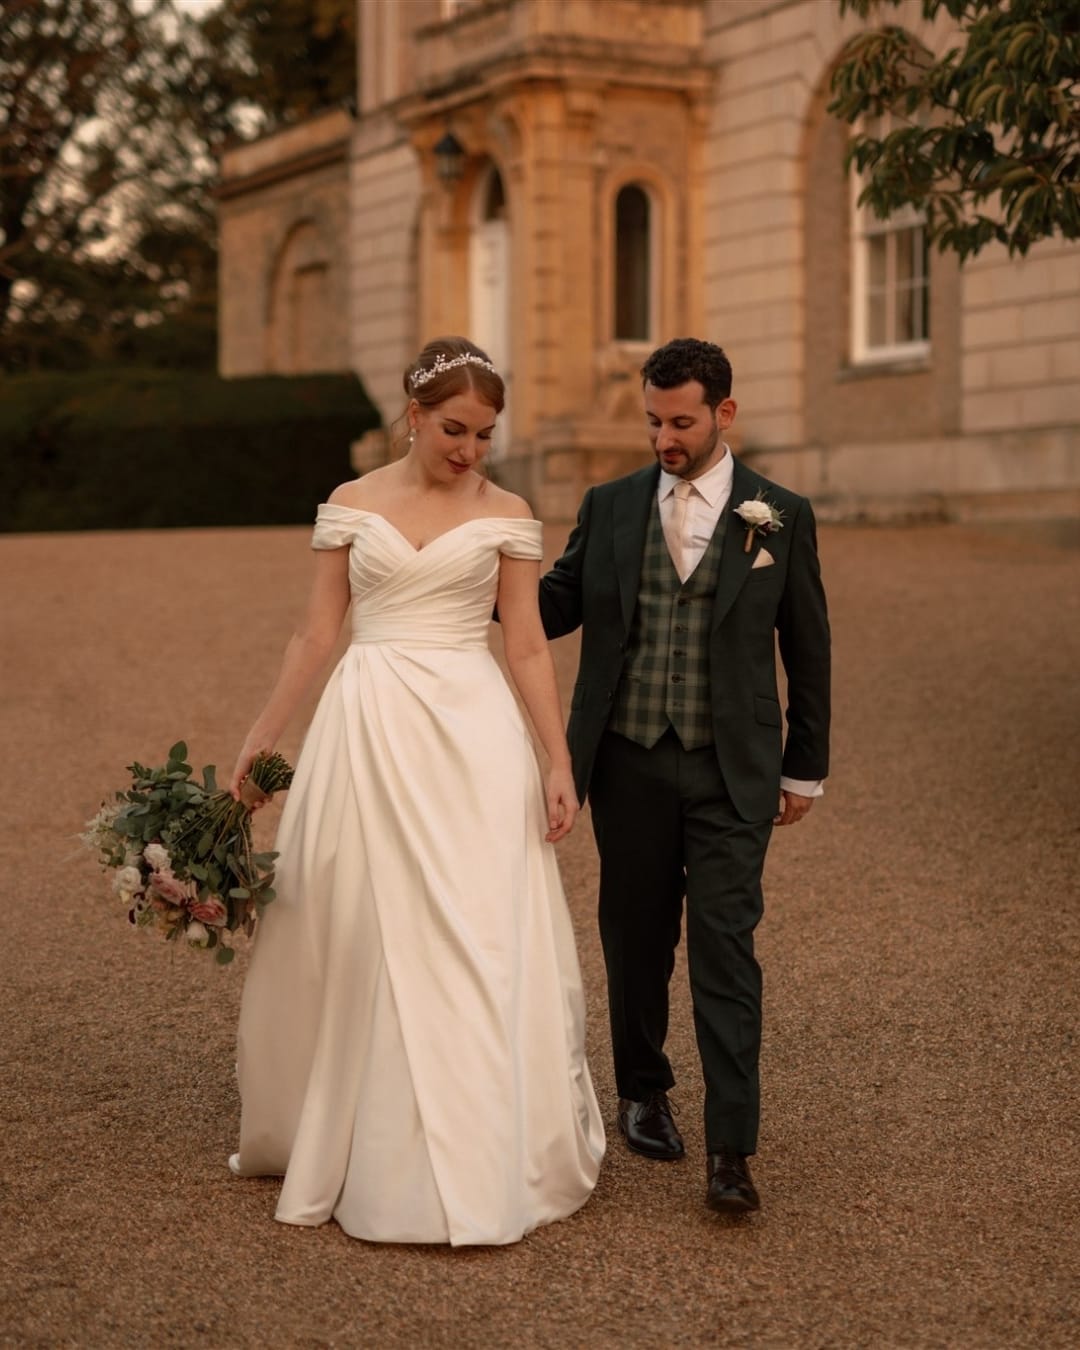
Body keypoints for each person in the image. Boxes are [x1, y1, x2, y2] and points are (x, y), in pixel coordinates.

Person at [226, 336, 604, 1246]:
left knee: (470, 931)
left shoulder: (509, 513)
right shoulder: (350, 506)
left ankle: (477, 1138)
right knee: (355, 922)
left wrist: (557, 762)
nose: (469, 449)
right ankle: (358, 1127)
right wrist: (261, 739)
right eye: (453, 429)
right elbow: (316, 636)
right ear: (413, 416)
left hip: (472, 734)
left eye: (483, 434)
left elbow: (522, 646)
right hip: (367, 724)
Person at [538, 337, 830, 1215]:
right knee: (634, 937)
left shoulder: (780, 511)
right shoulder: (613, 505)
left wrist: (804, 768)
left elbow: (807, 647)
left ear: (723, 415)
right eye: (654, 421)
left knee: (725, 951)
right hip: (626, 760)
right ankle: (642, 1089)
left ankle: (731, 1149)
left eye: (682, 421)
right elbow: (553, 602)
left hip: (733, 770)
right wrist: (472, 561)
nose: (665, 437)